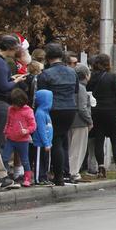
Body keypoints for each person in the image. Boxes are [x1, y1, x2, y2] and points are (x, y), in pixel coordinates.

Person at [35, 44, 78, 185]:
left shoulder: (45, 74)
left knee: (56, 142)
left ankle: (58, 176)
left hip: (54, 109)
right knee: (63, 140)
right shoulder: (73, 72)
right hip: (70, 108)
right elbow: (76, 91)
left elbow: (41, 95)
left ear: (47, 57)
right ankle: (65, 172)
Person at [86, 53, 116, 181]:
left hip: (96, 111)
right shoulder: (113, 77)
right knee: (115, 140)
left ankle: (101, 167)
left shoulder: (91, 78)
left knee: (99, 140)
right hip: (112, 111)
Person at [0, 35, 28, 150]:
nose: (16, 51)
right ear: (9, 48)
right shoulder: (0, 63)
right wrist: (16, 80)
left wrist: (11, 78)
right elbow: (4, 87)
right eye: (15, 48)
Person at [2, 88, 36, 187]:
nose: (13, 106)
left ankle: (27, 178)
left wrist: (27, 131)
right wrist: (5, 132)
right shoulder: (10, 109)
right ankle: (6, 175)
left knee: (25, 160)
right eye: (12, 104)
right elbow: (8, 122)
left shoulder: (28, 111)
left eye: (15, 104)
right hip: (10, 139)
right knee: (4, 158)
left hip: (23, 140)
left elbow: (33, 125)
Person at [68, 64, 93, 183]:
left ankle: (70, 170)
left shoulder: (71, 86)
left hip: (70, 120)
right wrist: (89, 121)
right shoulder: (81, 88)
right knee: (78, 148)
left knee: (70, 147)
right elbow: (82, 108)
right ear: (86, 75)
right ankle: (74, 172)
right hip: (80, 122)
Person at [30, 89, 53, 185]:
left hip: (46, 143)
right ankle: (38, 178)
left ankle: (44, 177)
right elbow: (41, 129)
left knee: (45, 161)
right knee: (39, 161)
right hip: (40, 143)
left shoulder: (46, 113)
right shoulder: (40, 113)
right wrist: (46, 142)